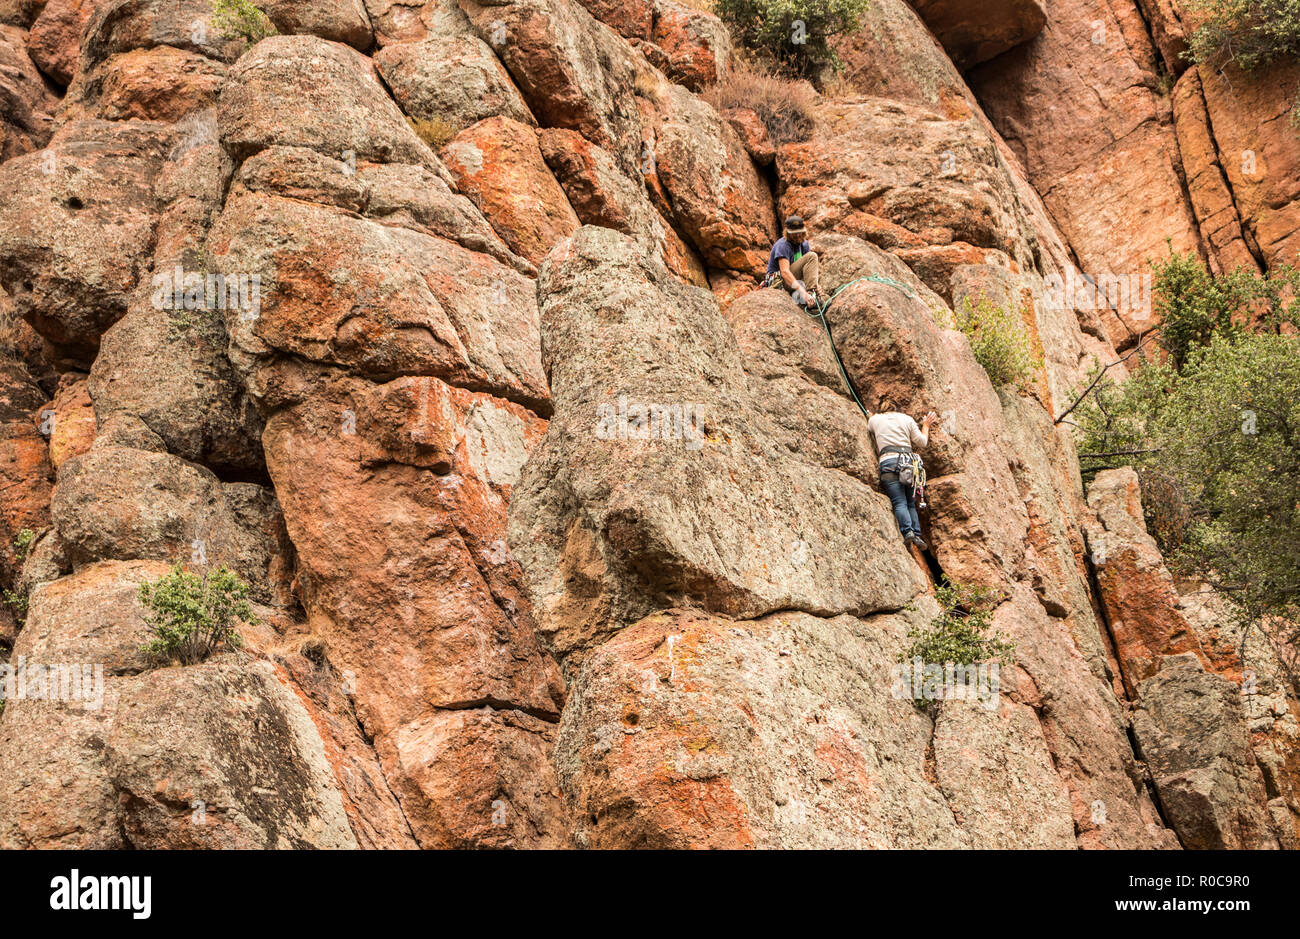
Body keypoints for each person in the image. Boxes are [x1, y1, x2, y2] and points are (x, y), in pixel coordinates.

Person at [867, 397, 937, 550]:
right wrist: (926, 425)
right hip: (909, 464)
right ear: (897, 408)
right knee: (910, 503)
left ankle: (908, 532)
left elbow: (871, 425)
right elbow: (922, 442)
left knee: (899, 502)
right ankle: (917, 535)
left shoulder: (875, 420)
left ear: (881, 409)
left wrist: (871, 416)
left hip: (889, 462)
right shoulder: (907, 419)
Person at [764, 215, 822, 307]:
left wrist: (817, 286)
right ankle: (811, 293)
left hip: (793, 282)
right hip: (778, 282)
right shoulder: (783, 245)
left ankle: (807, 297)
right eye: (794, 233)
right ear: (787, 233)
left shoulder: (804, 244)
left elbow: (808, 270)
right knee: (812, 256)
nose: (798, 235)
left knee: (825, 298)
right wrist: (804, 292)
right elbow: (785, 272)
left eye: (800, 232)